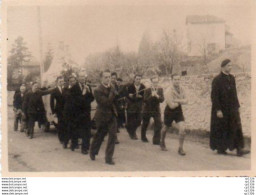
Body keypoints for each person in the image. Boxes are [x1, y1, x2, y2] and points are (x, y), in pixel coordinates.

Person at [210, 59, 250, 156]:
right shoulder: (217, 80)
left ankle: (239, 148)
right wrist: (218, 110)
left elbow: (234, 94)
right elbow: (214, 96)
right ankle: (221, 148)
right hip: (222, 109)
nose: (230, 67)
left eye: (231, 66)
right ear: (223, 67)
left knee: (236, 126)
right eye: (228, 66)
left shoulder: (232, 78)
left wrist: (238, 106)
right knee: (222, 128)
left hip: (232, 108)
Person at [90, 70, 118, 165]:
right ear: (101, 78)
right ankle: (93, 151)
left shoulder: (112, 87)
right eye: (105, 77)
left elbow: (115, 100)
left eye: (109, 77)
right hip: (102, 116)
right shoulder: (97, 90)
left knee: (113, 135)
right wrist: (112, 92)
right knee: (100, 135)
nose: (108, 79)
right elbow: (106, 102)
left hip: (112, 115)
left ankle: (108, 158)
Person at [160, 74, 188, 155]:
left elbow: (187, 101)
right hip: (169, 112)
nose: (177, 81)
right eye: (175, 79)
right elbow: (171, 106)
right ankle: (162, 141)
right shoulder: (168, 91)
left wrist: (176, 100)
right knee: (165, 128)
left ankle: (180, 148)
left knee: (182, 128)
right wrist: (181, 101)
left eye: (178, 79)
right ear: (172, 80)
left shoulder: (182, 89)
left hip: (179, 111)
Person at [141, 75, 164, 144]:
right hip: (147, 109)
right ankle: (143, 137)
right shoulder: (147, 89)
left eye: (156, 82)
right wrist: (151, 96)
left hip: (156, 109)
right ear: (151, 82)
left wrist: (157, 96)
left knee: (159, 123)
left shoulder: (160, 89)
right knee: (145, 123)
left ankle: (156, 140)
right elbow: (145, 100)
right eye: (154, 82)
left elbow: (162, 100)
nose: (155, 84)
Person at [126, 74, 145, 139]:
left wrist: (141, 97)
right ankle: (132, 133)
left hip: (139, 105)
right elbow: (126, 95)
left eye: (139, 79)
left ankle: (132, 130)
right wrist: (130, 95)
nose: (138, 80)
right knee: (131, 119)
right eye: (137, 79)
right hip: (131, 105)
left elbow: (144, 96)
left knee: (139, 120)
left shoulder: (143, 87)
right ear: (134, 79)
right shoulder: (130, 86)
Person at [50, 76, 66, 144]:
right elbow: (51, 102)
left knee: (66, 124)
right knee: (60, 124)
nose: (61, 83)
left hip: (66, 109)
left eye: (62, 81)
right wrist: (53, 112)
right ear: (57, 82)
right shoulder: (54, 90)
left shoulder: (66, 89)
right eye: (60, 81)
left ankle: (66, 138)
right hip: (59, 109)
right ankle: (61, 139)